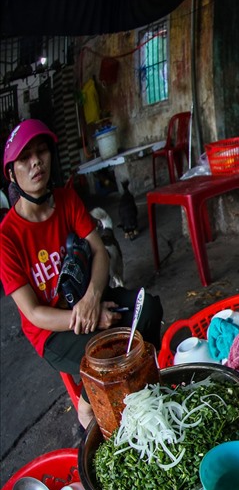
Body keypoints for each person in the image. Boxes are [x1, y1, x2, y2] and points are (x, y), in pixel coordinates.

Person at [0, 119, 163, 427]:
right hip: (53, 331)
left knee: (149, 308)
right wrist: (92, 318)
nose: (36, 162)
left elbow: (99, 251)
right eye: (25, 158)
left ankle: (141, 383)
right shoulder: (7, 237)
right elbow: (33, 313)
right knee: (110, 351)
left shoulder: (66, 199)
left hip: (90, 298)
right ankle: (88, 408)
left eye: (41, 152)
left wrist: (91, 299)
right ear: (11, 173)